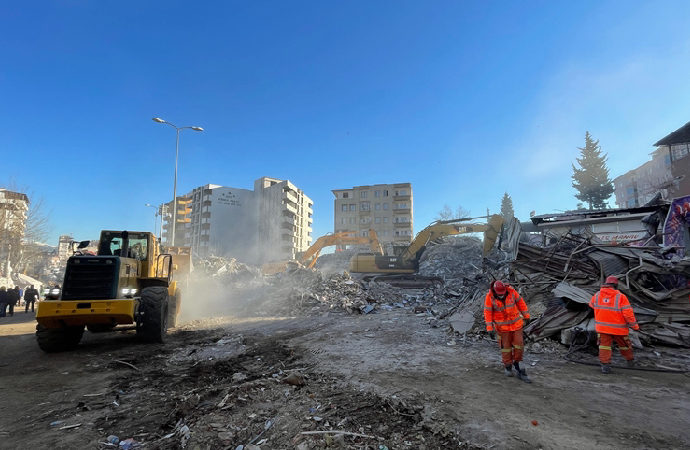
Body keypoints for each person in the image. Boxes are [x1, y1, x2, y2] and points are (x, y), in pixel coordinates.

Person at [589, 276, 639, 374]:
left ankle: (605, 366)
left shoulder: (597, 295)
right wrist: (635, 326)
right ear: (616, 285)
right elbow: (628, 314)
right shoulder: (621, 297)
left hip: (602, 328)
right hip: (619, 329)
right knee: (625, 346)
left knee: (604, 347)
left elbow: (591, 305)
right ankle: (630, 361)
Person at [484, 280, 532, 383]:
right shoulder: (490, 297)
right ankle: (508, 366)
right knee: (506, 348)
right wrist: (489, 328)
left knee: (519, 345)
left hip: (516, 325)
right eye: (499, 294)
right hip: (502, 328)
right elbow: (488, 312)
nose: (501, 295)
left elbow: (521, 303)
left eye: (502, 293)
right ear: (495, 291)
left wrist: (526, 316)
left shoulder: (511, 292)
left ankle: (518, 365)